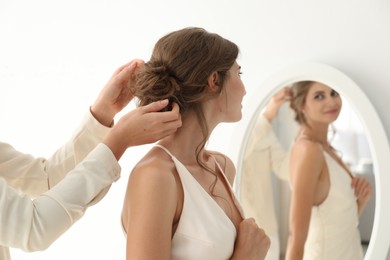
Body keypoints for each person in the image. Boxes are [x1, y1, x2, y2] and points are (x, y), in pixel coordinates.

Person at [0, 59, 182, 260]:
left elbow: (45, 179)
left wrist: (103, 113)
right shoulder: (156, 175)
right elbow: (32, 228)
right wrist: (118, 141)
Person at [121, 27, 270, 260]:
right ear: (214, 80)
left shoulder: (222, 166)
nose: (244, 89)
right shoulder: (155, 176)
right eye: (239, 74)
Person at [285, 81, 372, 260]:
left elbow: (337, 223)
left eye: (333, 92)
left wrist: (360, 201)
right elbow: (296, 235)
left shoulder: (325, 148)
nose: (331, 101)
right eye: (319, 96)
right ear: (302, 105)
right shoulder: (309, 151)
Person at [239, 87, 291, 260]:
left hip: (268, 226)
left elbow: (285, 170)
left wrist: (302, 139)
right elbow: (241, 151)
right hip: (244, 228)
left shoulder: (266, 131)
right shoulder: (243, 132)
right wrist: (270, 112)